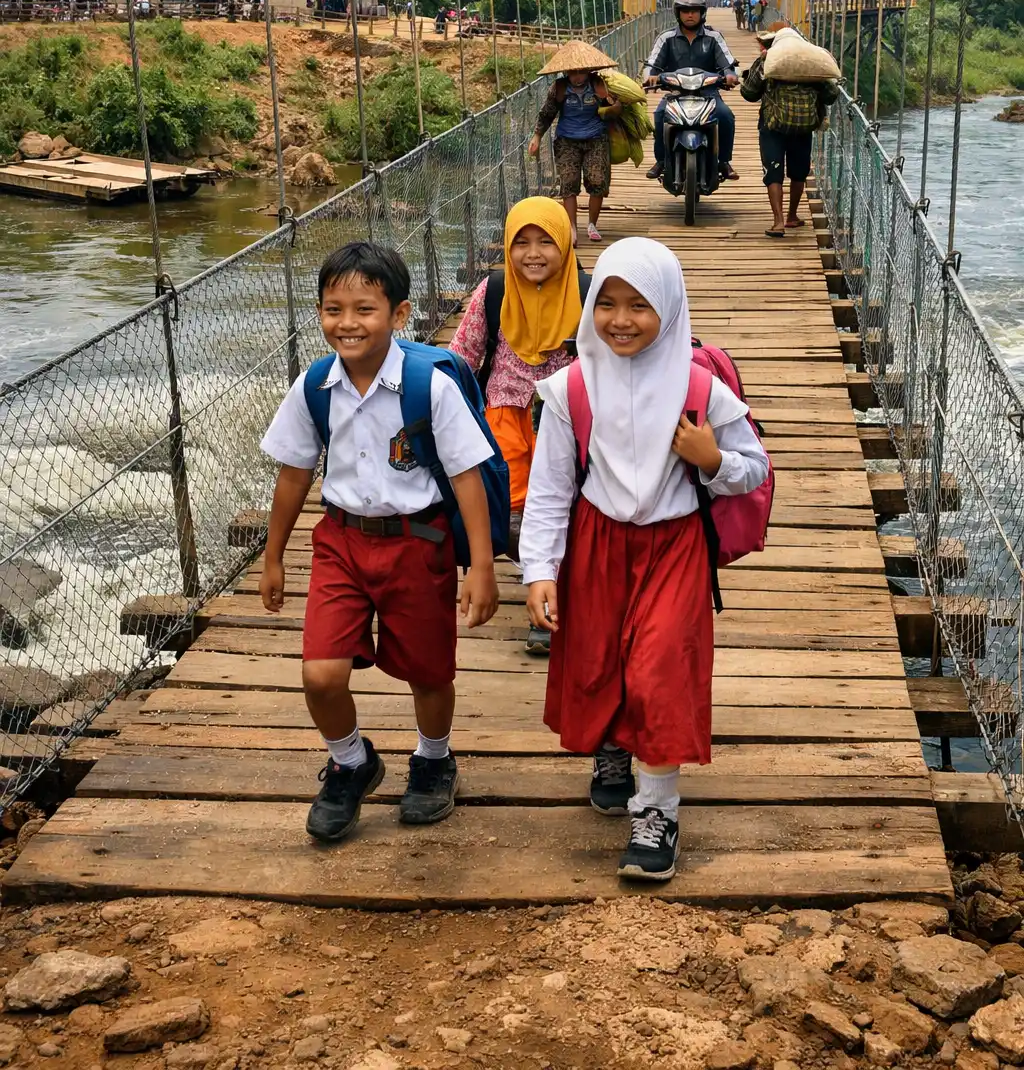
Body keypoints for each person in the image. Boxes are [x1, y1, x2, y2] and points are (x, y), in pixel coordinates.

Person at [519, 238, 770, 881]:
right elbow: (549, 488)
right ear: (589, 306)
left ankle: (657, 812)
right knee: (600, 661)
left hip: (674, 545)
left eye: (640, 305)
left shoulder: (700, 390)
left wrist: (712, 459)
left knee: (661, 670)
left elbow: (753, 470)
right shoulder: (572, 387)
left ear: (670, 308)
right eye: (607, 303)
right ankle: (611, 747)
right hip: (597, 543)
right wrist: (540, 570)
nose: (621, 320)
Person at [258, 241, 500, 843]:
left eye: (364, 309)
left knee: (429, 672)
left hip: (418, 543)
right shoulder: (314, 386)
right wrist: (272, 556)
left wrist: (482, 565)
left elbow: (467, 478)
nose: (347, 324)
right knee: (320, 675)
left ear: (399, 314)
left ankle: (433, 759)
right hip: (340, 542)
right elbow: (293, 474)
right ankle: (350, 762)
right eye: (332, 309)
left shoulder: (430, 386)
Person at [450, 197, 584, 652]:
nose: (533, 253)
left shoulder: (587, 294)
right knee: (508, 514)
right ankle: (540, 588)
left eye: (546, 241)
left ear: (565, 244)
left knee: (563, 506)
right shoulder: (493, 293)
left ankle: (548, 601)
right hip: (503, 416)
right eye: (521, 242)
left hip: (565, 419)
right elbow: (460, 359)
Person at [741, 26, 841, 238]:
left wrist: (761, 63)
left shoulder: (770, 60)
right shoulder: (811, 64)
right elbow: (831, 96)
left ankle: (778, 222)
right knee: (799, 172)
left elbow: (748, 93)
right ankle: (792, 216)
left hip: (772, 126)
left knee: (773, 171)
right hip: (803, 128)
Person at [528, 42, 621, 245]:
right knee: (568, 183)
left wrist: (610, 102)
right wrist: (537, 136)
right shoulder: (559, 88)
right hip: (566, 141)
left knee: (597, 181)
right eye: (572, 72)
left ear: (588, 71)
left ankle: (592, 225)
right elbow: (547, 114)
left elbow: (615, 111)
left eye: (581, 72)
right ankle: (571, 227)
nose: (577, 76)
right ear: (566, 73)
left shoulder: (598, 85)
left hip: (595, 138)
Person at [643, 0, 739, 183]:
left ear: (702, 13)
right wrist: (651, 77)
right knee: (660, 114)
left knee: (726, 116)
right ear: (677, 13)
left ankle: (724, 161)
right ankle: (661, 160)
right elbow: (652, 64)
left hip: (709, 93)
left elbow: (727, 63)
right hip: (675, 93)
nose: (690, 15)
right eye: (685, 11)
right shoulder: (666, 38)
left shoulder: (714, 37)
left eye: (694, 10)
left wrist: (730, 75)